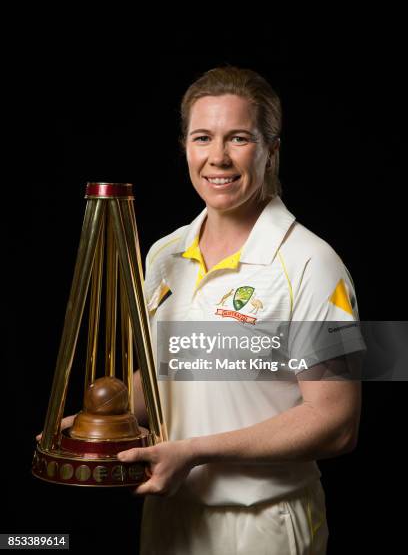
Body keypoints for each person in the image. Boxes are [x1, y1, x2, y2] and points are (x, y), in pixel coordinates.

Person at [39, 66, 364, 554]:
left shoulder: (316, 262)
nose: (217, 157)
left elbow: (338, 423)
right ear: (185, 148)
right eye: (202, 138)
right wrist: (100, 424)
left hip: (262, 523)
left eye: (238, 139)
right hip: (168, 511)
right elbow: (171, 371)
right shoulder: (163, 254)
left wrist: (194, 453)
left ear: (271, 149)